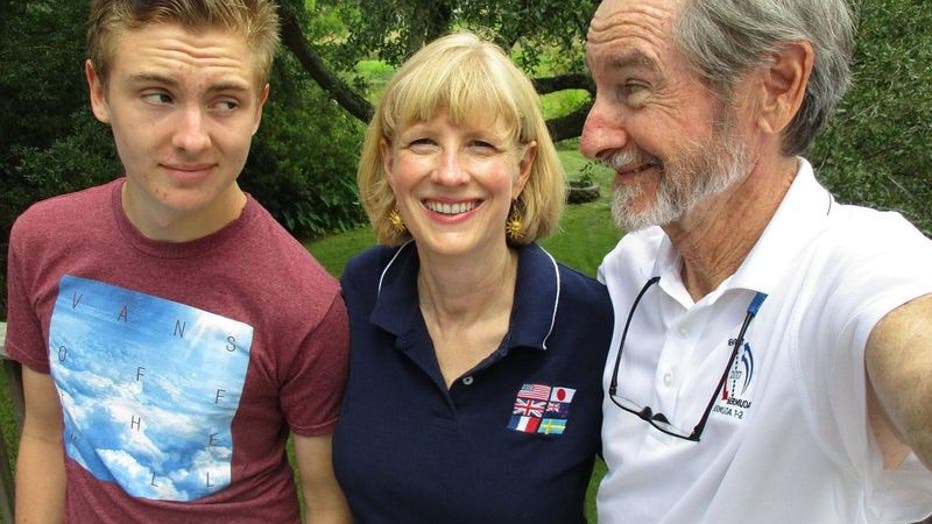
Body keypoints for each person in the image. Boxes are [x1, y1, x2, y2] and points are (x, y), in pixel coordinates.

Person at [581, 0, 932, 523]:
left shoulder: (861, 268)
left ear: (777, 86)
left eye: (633, 88)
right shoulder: (629, 271)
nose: (592, 138)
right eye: (599, 92)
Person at [4, 1, 351, 522]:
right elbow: (43, 433)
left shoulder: (307, 303)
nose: (192, 138)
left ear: (258, 107)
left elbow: (324, 498)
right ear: (99, 91)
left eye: (225, 103)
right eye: (159, 95)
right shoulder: (42, 239)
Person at [330, 31, 614, 523]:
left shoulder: (590, 323)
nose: (450, 173)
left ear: (522, 168)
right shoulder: (360, 293)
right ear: (390, 161)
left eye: (481, 145)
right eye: (423, 142)